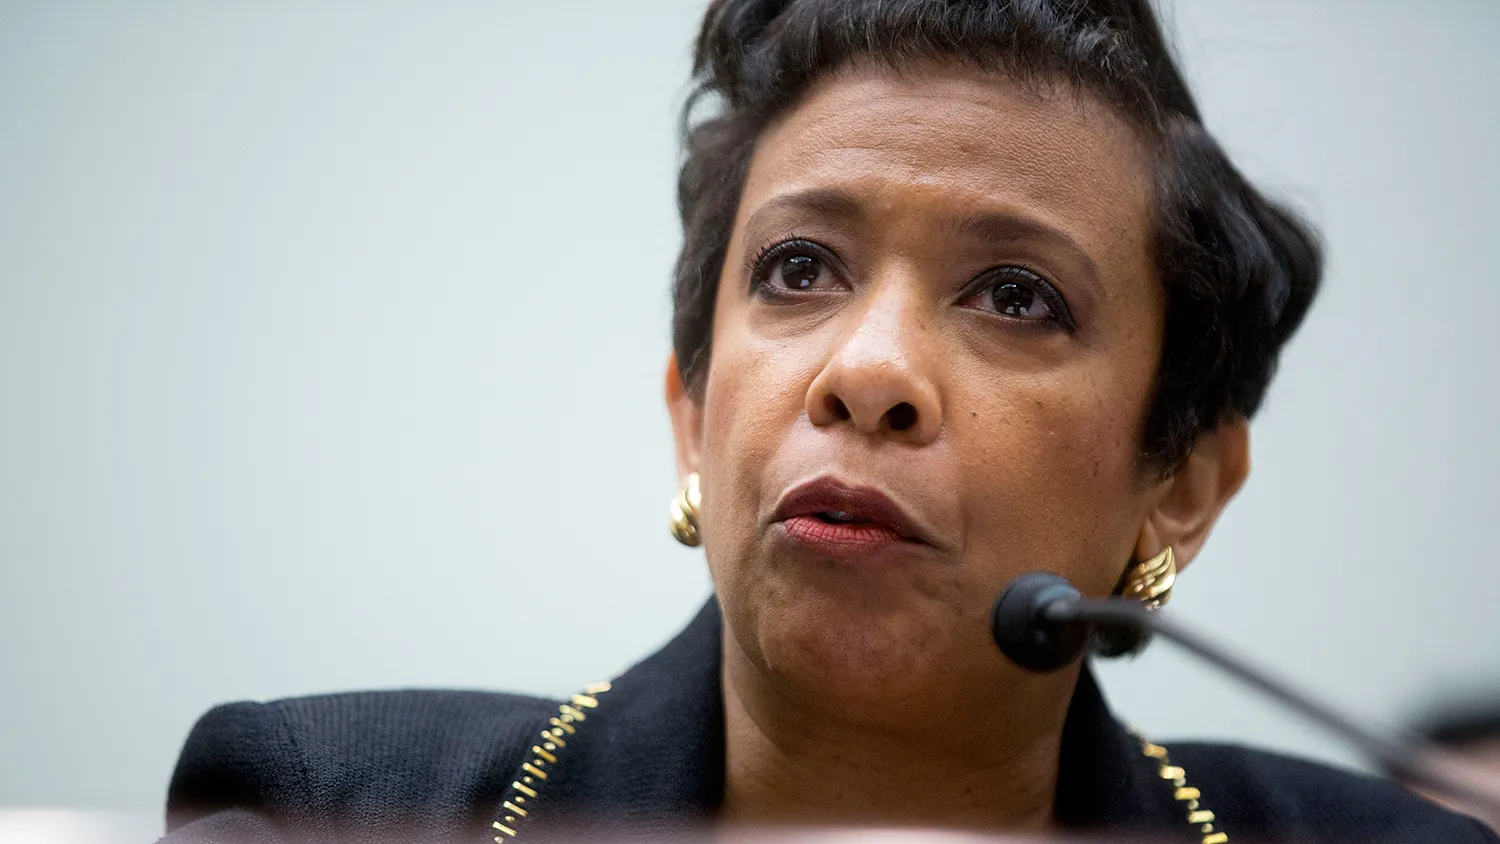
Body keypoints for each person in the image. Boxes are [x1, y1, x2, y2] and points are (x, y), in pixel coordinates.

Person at [162, 1, 1498, 842]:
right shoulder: (331, 807)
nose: (869, 372)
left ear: (1183, 485)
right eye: (800, 269)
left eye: (1017, 296)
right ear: (693, 413)